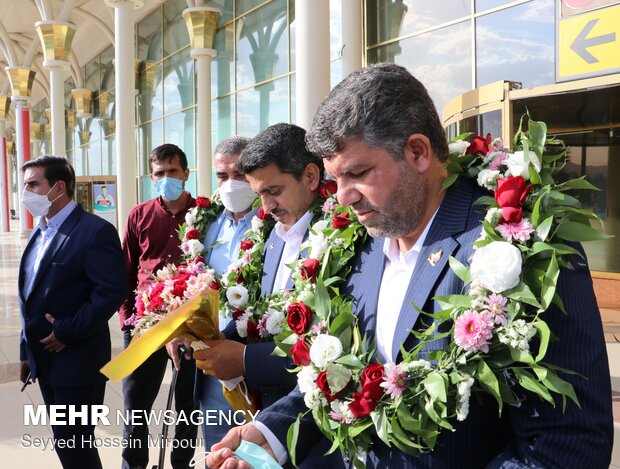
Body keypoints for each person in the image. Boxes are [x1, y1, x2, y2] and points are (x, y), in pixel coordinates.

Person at [207, 64, 614, 468]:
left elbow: (566, 441)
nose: (342, 197)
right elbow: (335, 377)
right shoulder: (352, 248)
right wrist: (270, 434)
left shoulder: (519, 246)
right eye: (335, 178)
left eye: (357, 173)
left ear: (417, 152)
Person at [194, 123, 344, 468]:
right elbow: (258, 316)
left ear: (310, 176)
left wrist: (245, 360)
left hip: (317, 432)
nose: (265, 205)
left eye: (273, 190)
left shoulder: (341, 237)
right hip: (266, 418)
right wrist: (209, 337)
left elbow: (333, 349)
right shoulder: (272, 236)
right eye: (259, 193)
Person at [18, 155, 127, 469]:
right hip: (45, 361)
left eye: (32, 184)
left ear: (58, 187)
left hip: (77, 361)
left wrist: (68, 330)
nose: (25, 192)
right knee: (66, 441)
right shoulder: (42, 231)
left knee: (75, 444)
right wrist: (26, 351)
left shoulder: (94, 232)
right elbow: (30, 296)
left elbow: (111, 291)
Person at [166, 136, 258, 451]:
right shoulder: (206, 224)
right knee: (217, 454)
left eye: (240, 173)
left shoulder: (274, 223)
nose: (231, 183)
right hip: (209, 377)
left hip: (254, 371)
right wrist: (181, 330)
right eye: (222, 176)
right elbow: (193, 288)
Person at [119, 143, 198, 469]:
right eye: (159, 174)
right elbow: (126, 269)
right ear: (152, 178)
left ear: (186, 174)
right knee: (136, 403)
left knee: (187, 403)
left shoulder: (204, 212)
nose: (166, 179)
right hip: (144, 326)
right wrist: (128, 320)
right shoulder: (140, 214)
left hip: (192, 327)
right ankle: (133, 464)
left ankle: (181, 462)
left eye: (172, 172)